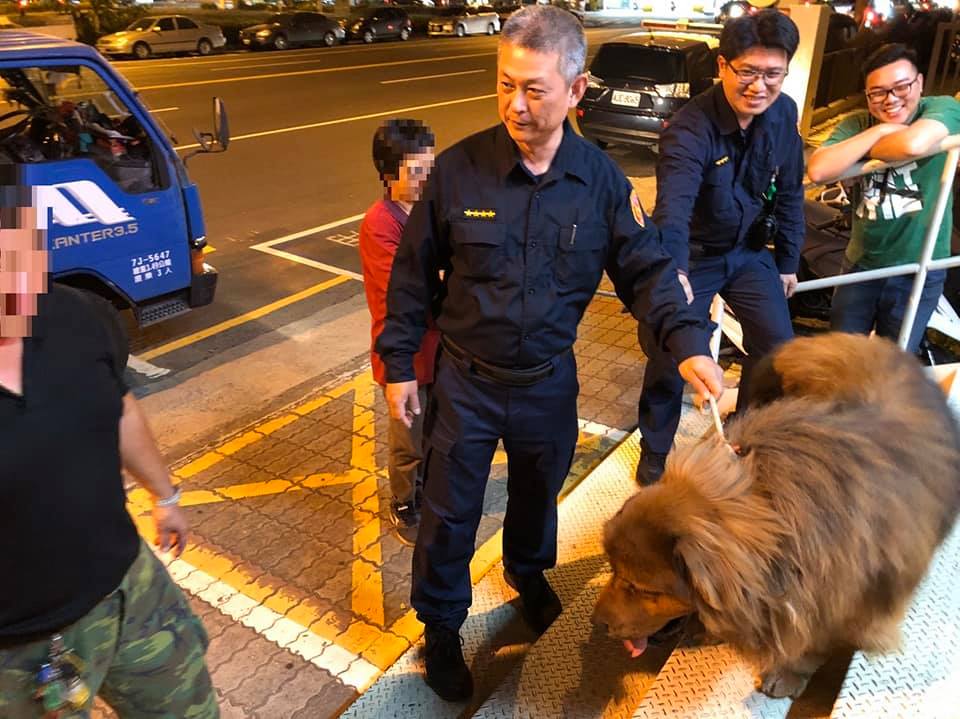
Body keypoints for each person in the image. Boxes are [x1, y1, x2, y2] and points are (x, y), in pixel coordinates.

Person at [375, 5, 723, 702]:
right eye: (506, 83)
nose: (516, 103)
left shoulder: (598, 182)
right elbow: (412, 275)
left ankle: (527, 575)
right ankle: (442, 626)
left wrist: (688, 345)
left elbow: (648, 271)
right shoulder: (459, 171)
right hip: (466, 381)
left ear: (576, 88)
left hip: (546, 381)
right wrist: (399, 365)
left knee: (538, 495)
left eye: (535, 89)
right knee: (448, 512)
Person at [0, 183, 217, 718]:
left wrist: (165, 495)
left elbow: (118, 408)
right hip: (14, 655)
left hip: (128, 591)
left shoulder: (73, 314)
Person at [635, 9, 805, 486]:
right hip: (694, 253)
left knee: (776, 350)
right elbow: (672, 212)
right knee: (671, 353)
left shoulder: (783, 112)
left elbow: (791, 189)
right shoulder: (689, 129)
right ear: (722, 66)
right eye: (747, 71)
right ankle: (654, 452)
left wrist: (788, 260)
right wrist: (675, 278)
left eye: (773, 74)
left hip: (749, 253)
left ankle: (744, 433)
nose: (760, 86)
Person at [807, 43, 960, 353]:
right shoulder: (860, 123)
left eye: (901, 87)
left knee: (893, 364)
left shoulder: (942, 107)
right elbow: (820, 169)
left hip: (919, 265)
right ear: (867, 96)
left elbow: (914, 145)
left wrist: (859, 153)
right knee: (841, 356)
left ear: (918, 83)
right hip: (859, 263)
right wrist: (878, 133)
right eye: (878, 93)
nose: (890, 99)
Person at [359, 118, 440, 546]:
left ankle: (432, 494)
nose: (426, 178)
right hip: (405, 357)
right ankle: (405, 503)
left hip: (440, 348)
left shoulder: (430, 209)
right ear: (389, 175)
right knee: (409, 439)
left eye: (431, 166)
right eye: (415, 171)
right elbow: (405, 294)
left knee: (438, 431)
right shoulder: (380, 224)